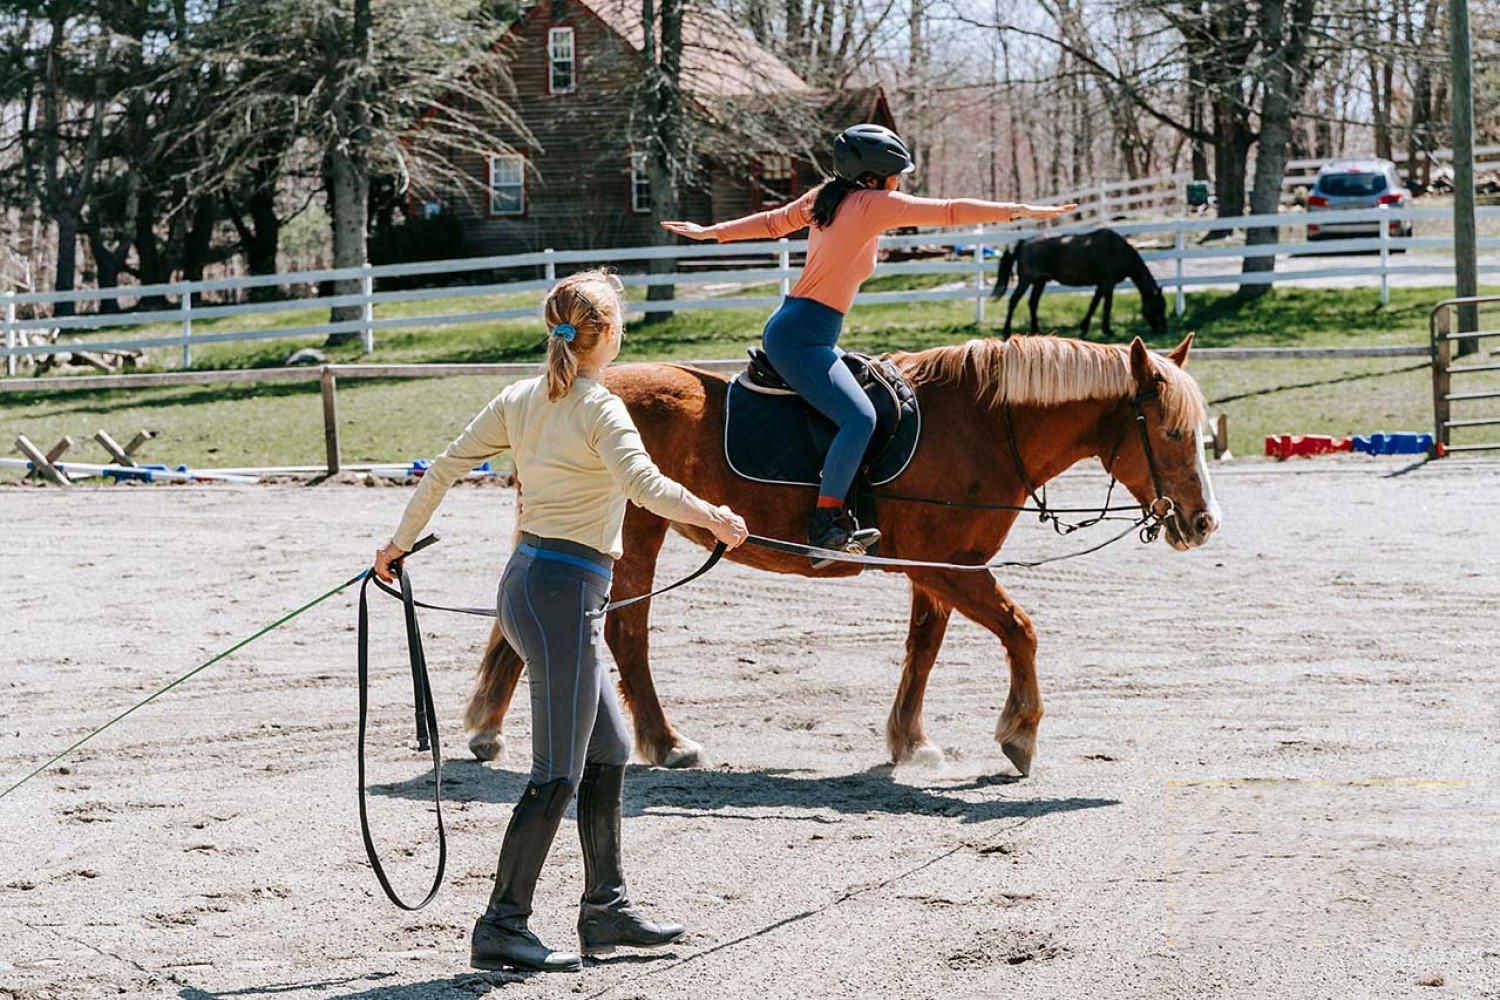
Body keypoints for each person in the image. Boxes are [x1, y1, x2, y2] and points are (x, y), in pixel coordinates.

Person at [373, 269, 748, 973]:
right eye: (621, 324)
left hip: (534, 589)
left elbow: (445, 467)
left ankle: (605, 909)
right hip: (561, 596)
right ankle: (501, 925)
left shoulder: (519, 398)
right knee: (555, 772)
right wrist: (716, 517)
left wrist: (396, 542)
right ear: (604, 335)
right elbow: (646, 487)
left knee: (606, 750)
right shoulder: (598, 408)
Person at [662, 124, 1077, 567]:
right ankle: (825, 527)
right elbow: (951, 211)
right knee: (859, 418)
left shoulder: (829, 197)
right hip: (801, 337)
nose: (901, 181)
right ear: (876, 177)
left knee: (868, 396)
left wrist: (712, 232)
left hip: (802, 329)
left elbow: (771, 222)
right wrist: (1022, 211)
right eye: (897, 173)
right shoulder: (871, 205)